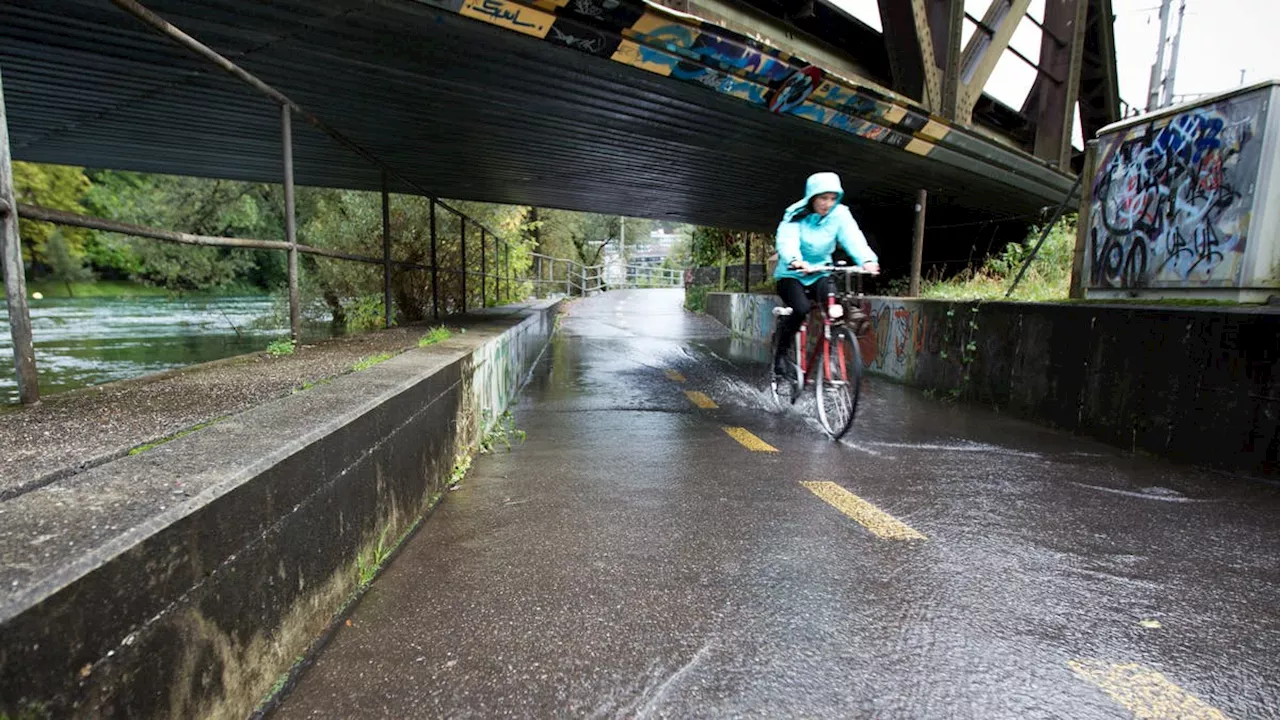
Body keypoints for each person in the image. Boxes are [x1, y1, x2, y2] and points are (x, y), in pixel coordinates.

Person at [772, 172, 880, 376]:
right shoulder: (795, 214)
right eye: (823, 198)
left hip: (820, 272)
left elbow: (853, 237)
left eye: (832, 198)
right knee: (801, 309)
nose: (828, 203)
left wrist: (867, 260)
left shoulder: (840, 214)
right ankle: (781, 354)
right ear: (812, 197)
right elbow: (787, 240)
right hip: (792, 274)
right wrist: (795, 260)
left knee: (835, 308)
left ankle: (831, 355)